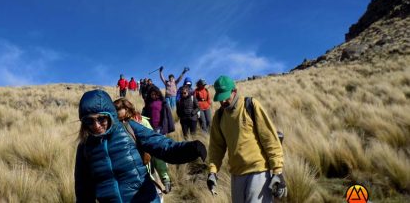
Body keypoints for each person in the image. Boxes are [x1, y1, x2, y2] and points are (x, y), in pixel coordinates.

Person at [74, 89, 207, 203]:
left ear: (111, 116)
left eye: (101, 118)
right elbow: (83, 189)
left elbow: (161, 145)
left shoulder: (128, 128)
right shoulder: (84, 147)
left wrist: (188, 149)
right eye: (89, 121)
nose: (96, 126)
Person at [207, 76, 287, 203]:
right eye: (220, 99)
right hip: (236, 175)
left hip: (258, 172)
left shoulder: (250, 105)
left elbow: (270, 138)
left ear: (234, 91)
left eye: (225, 97)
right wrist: (213, 171)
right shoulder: (219, 116)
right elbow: (216, 147)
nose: (222, 102)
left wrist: (277, 171)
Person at [113, 98, 173, 197]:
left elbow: (156, 150)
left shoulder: (142, 123)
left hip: (148, 174)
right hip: (126, 180)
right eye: (120, 120)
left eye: (125, 119)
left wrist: (165, 177)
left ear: (129, 111)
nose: (123, 123)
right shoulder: (113, 129)